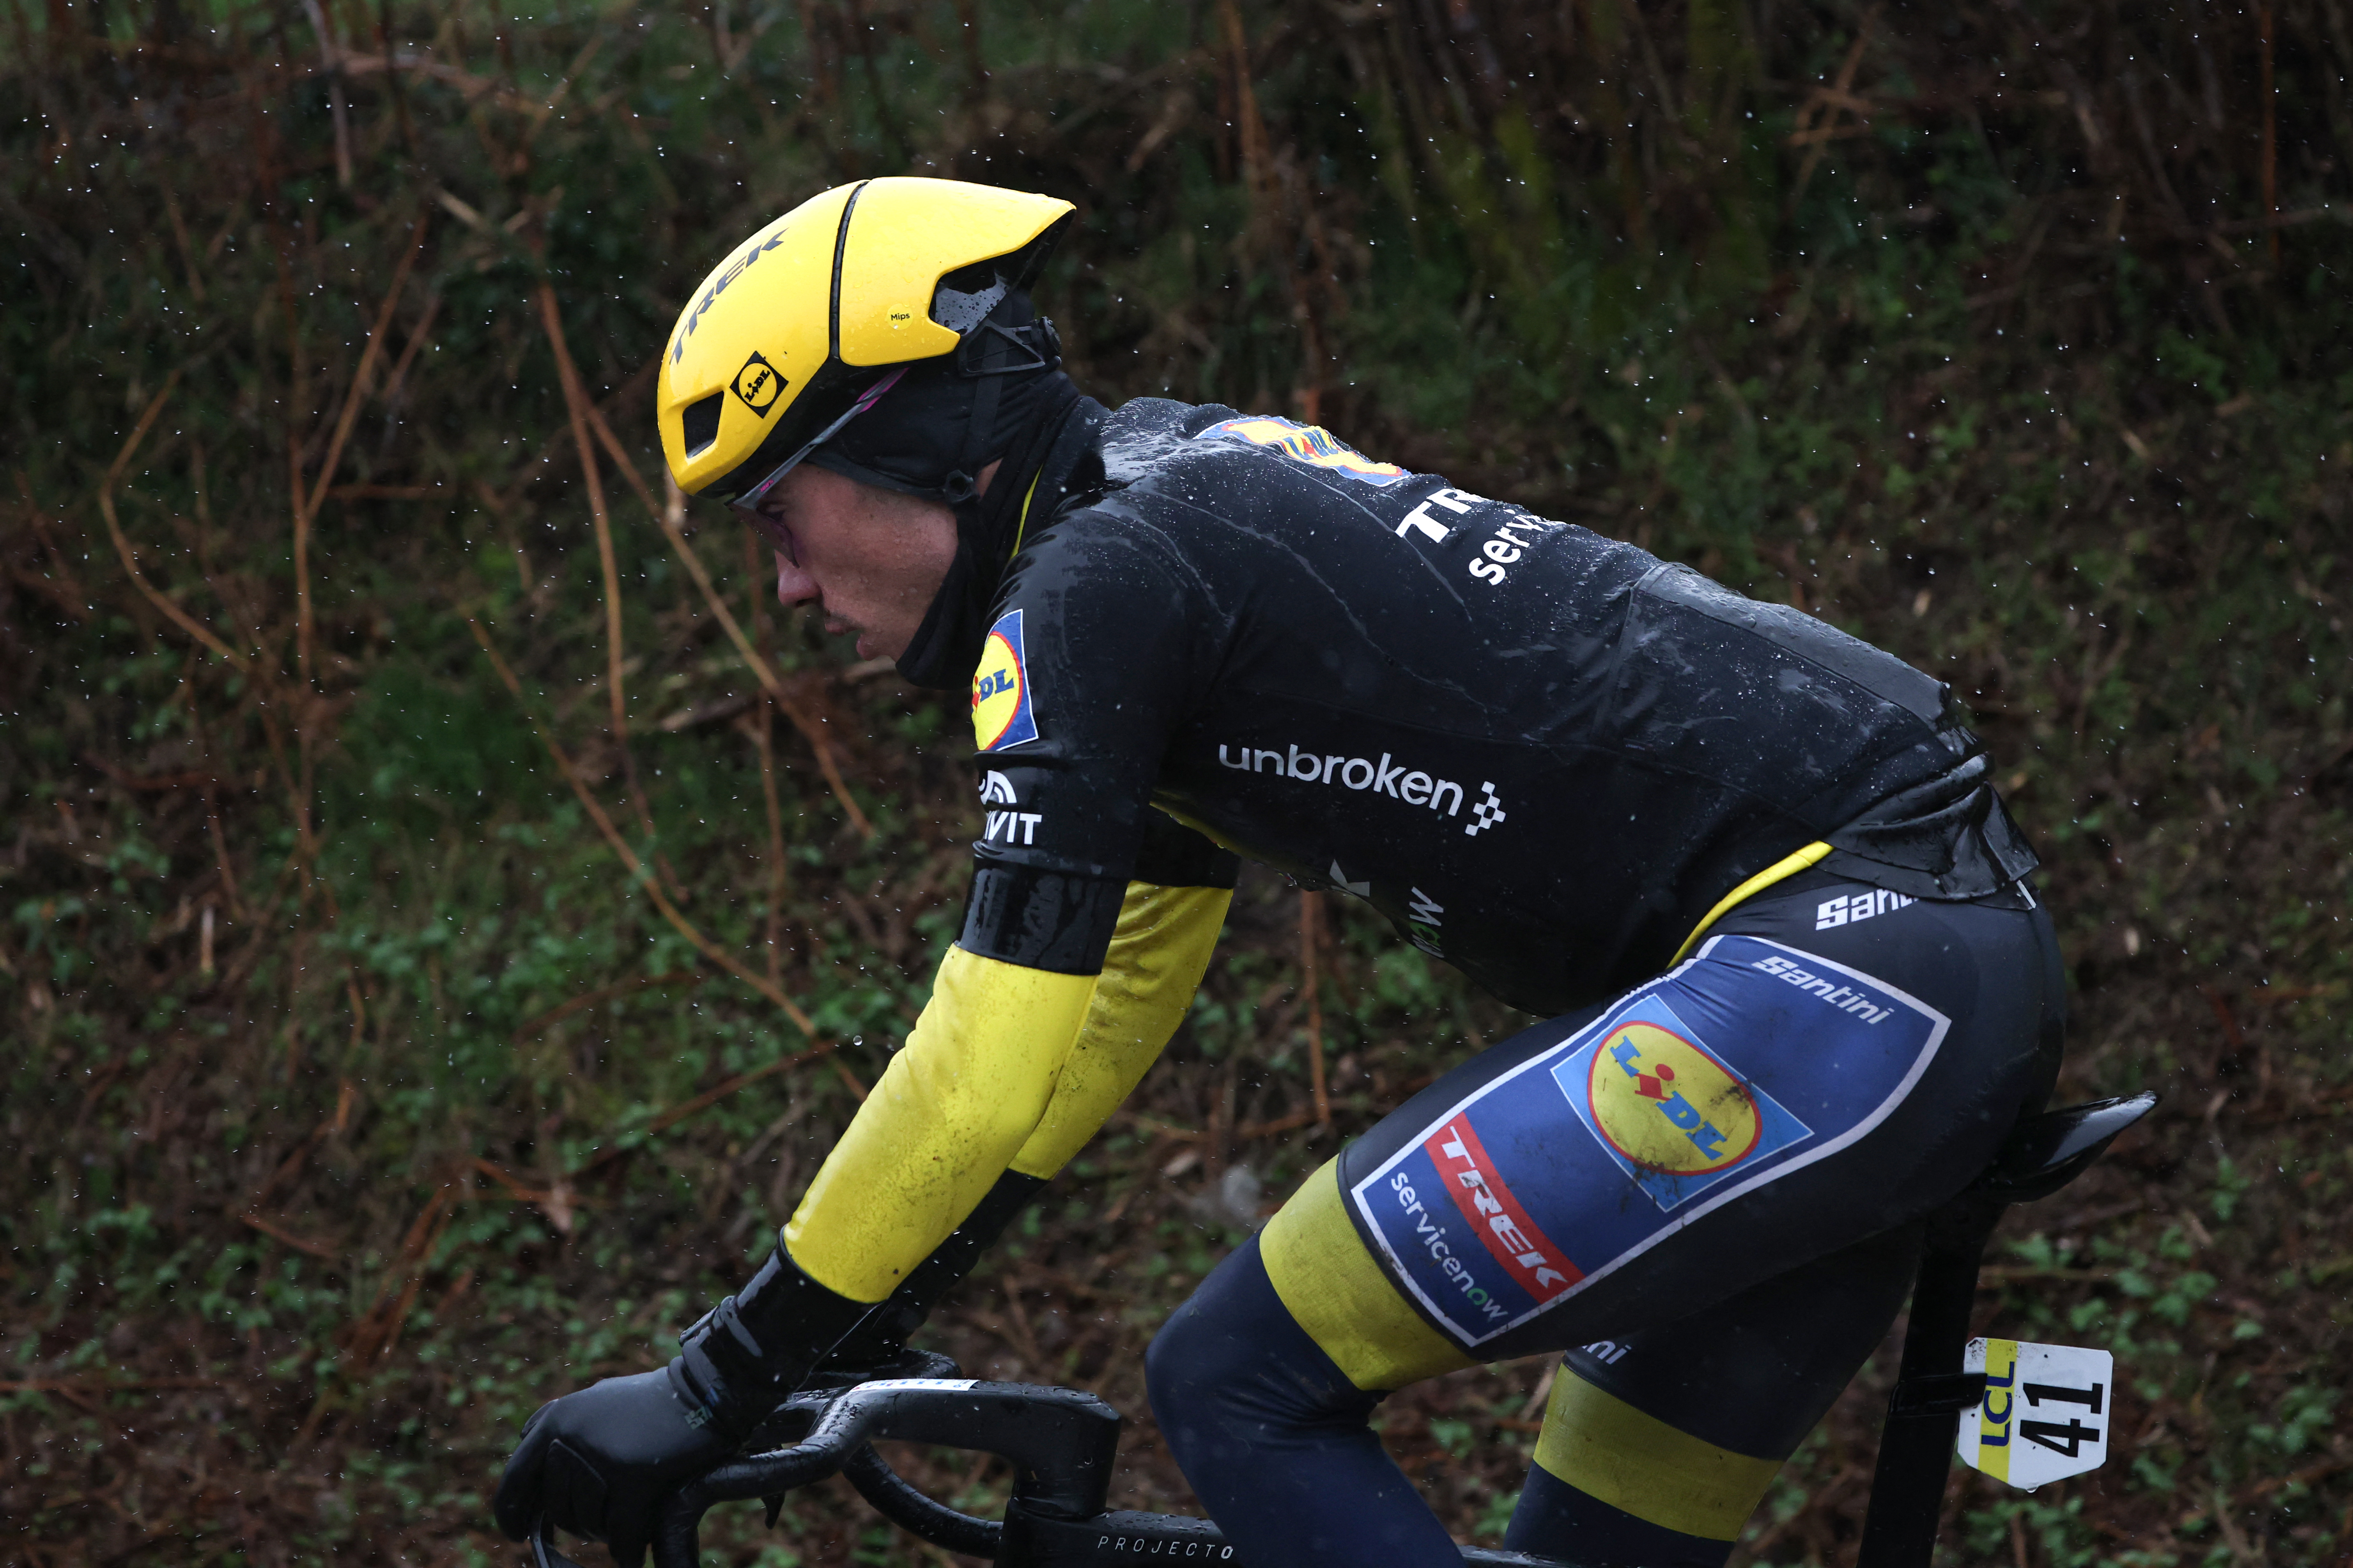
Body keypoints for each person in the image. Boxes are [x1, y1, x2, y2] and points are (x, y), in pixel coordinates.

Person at [492, 177, 2062, 1568]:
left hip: (1841, 965)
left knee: (1233, 1379)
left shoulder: (1093, 584)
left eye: (782, 514)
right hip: (1903, 973)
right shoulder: (1157, 502)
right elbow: (1092, 1023)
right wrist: (857, 1327)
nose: (782, 583)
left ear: (922, 441)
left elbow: (981, 1069)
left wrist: (716, 1379)